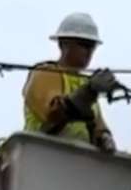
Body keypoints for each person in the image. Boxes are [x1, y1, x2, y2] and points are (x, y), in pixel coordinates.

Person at [21, 12, 117, 153]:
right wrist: (87, 93)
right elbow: (52, 113)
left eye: (92, 46)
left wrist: (104, 136)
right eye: (84, 45)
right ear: (63, 44)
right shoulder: (46, 72)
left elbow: (97, 123)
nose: (89, 52)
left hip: (76, 162)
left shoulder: (86, 82)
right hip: (42, 155)